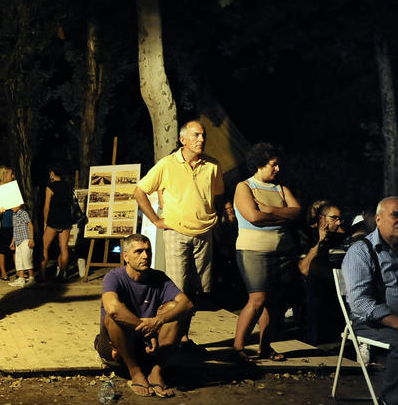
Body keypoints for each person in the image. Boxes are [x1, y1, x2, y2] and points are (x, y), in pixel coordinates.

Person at [134, 119, 228, 342]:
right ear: (182, 139)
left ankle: (183, 337)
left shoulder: (212, 165)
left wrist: (214, 217)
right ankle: (169, 339)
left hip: (204, 234)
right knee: (177, 291)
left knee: (196, 290)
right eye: (196, 135)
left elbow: (218, 194)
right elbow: (139, 191)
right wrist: (156, 220)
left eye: (203, 135)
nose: (201, 139)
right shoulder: (167, 164)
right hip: (176, 232)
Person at [341, 196, 398, 405]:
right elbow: (360, 302)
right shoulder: (362, 251)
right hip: (373, 322)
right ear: (378, 219)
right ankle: (393, 403)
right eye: (395, 215)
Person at [96, 233, 194, 398]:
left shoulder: (159, 277)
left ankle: (156, 371)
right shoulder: (114, 277)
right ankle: (135, 372)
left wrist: (158, 321)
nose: (145, 256)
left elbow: (187, 304)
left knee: (174, 309)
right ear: (126, 257)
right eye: (139, 251)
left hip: (148, 348)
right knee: (114, 316)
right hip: (117, 346)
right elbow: (113, 308)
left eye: (148, 251)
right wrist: (147, 331)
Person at [230, 143, 301, 362]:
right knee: (257, 299)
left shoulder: (281, 189)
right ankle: (238, 348)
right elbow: (253, 217)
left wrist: (269, 210)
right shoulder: (245, 187)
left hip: (283, 252)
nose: (278, 169)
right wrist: (283, 215)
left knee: (275, 303)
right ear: (260, 164)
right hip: (254, 251)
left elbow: (297, 212)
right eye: (274, 164)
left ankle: (265, 347)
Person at [297, 200, 347, 345]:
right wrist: (320, 240)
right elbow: (304, 269)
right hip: (314, 289)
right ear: (321, 219)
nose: (338, 223)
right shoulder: (308, 236)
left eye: (340, 219)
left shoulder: (340, 237)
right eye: (334, 218)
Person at [41, 166, 74, 280]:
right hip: (66, 219)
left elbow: (46, 207)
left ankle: (43, 274)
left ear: (52, 173)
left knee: (44, 247)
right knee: (64, 248)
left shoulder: (50, 187)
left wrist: (45, 221)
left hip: (54, 220)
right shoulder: (68, 186)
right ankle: (62, 274)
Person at [8, 202, 35, 287]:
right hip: (18, 241)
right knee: (19, 261)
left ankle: (31, 278)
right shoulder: (14, 215)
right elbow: (15, 229)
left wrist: (31, 239)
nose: (12, 207)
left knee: (27, 259)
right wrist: (13, 241)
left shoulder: (23, 213)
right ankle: (21, 278)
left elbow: (30, 225)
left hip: (25, 239)